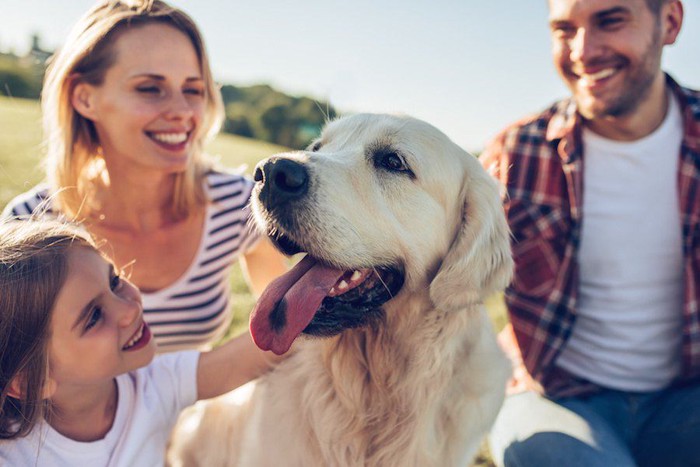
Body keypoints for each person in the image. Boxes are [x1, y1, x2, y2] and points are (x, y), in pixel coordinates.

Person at [480, 0, 700, 466]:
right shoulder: (517, 153)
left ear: (671, 22)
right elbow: (429, 275)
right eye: (564, 29)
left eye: (610, 20)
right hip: (552, 395)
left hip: (685, 399)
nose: (583, 50)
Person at [1, 0, 289, 352]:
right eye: (150, 88)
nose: (183, 112)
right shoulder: (29, 224)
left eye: (193, 90)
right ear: (84, 98)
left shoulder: (237, 204)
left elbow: (284, 336)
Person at [0, 219, 282, 465]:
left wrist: (312, 297)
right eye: (94, 317)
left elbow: (246, 358)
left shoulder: (152, 386)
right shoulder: (12, 455)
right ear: (30, 383)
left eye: (113, 281)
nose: (130, 309)